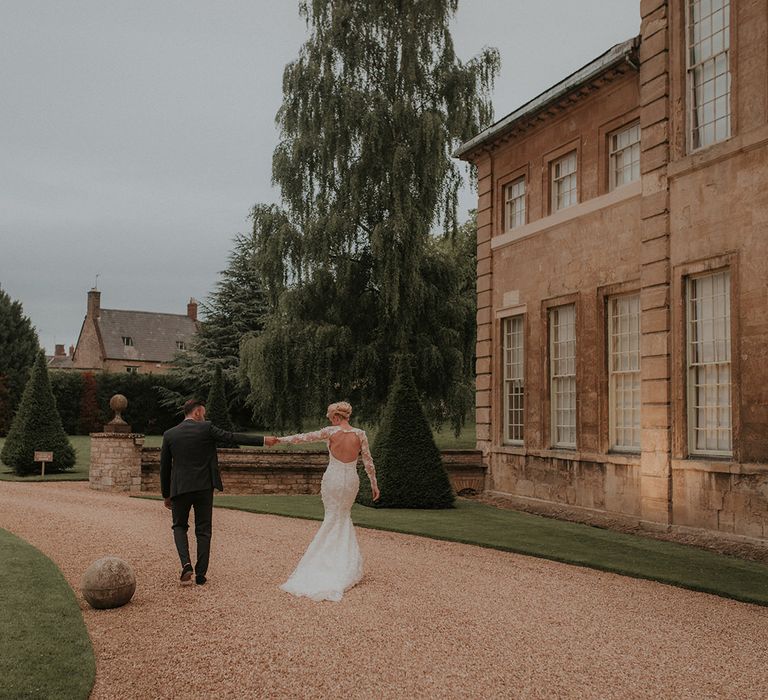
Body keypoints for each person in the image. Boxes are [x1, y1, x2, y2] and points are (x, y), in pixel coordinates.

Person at [266, 401, 380, 602]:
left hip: (333, 479)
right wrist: (374, 484)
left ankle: (323, 562)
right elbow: (368, 462)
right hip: (351, 480)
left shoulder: (330, 432)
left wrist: (280, 439)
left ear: (336, 417)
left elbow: (302, 438)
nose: (330, 421)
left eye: (331, 418)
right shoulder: (360, 434)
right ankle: (343, 563)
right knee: (343, 516)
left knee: (332, 517)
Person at [160, 398, 277, 585]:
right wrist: (263, 440)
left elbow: (164, 468)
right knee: (204, 530)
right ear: (197, 412)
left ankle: (186, 564)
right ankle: (200, 574)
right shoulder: (206, 428)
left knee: (179, 526)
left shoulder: (169, 434)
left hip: (180, 488)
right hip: (204, 487)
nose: (204, 416)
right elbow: (232, 437)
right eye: (203, 413)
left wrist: (166, 495)